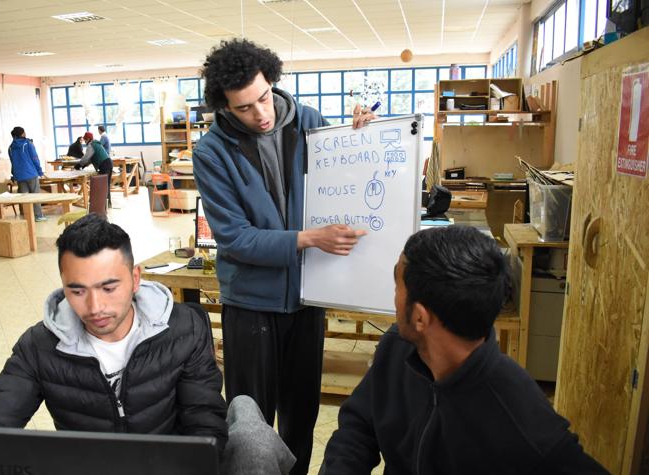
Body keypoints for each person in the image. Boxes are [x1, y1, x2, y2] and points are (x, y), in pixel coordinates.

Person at [192, 38, 375, 475]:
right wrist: (309, 239)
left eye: (263, 97)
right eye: (244, 108)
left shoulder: (310, 122)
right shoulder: (211, 152)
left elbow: (346, 180)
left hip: (307, 297)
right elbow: (236, 239)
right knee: (250, 420)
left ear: (271, 80)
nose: (261, 113)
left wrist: (362, 137)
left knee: (302, 413)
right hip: (251, 304)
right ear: (224, 107)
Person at [320, 226, 608, 474]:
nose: (394, 296)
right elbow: (358, 425)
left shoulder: (520, 416)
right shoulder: (397, 347)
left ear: (420, 317)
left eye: (398, 284)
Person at [0, 214, 228, 452]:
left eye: (109, 288)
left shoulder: (184, 329)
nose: (95, 308)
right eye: (77, 291)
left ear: (135, 279)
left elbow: (205, 426)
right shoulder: (38, 346)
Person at [8, 126, 46, 222]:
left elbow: (13, 162)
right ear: (22, 134)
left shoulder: (11, 147)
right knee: (35, 195)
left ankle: (25, 216)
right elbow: (35, 158)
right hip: (31, 174)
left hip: (19, 176)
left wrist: (14, 175)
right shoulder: (28, 143)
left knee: (24, 197)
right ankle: (38, 216)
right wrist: (40, 171)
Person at [76, 131, 113, 206]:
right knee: (106, 185)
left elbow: (86, 157)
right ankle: (107, 204)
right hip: (108, 163)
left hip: (104, 164)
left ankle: (103, 206)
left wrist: (79, 164)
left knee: (103, 185)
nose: (85, 141)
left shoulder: (91, 145)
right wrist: (83, 165)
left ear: (89, 139)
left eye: (85, 139)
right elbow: (90, 159)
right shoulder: (96, 144)